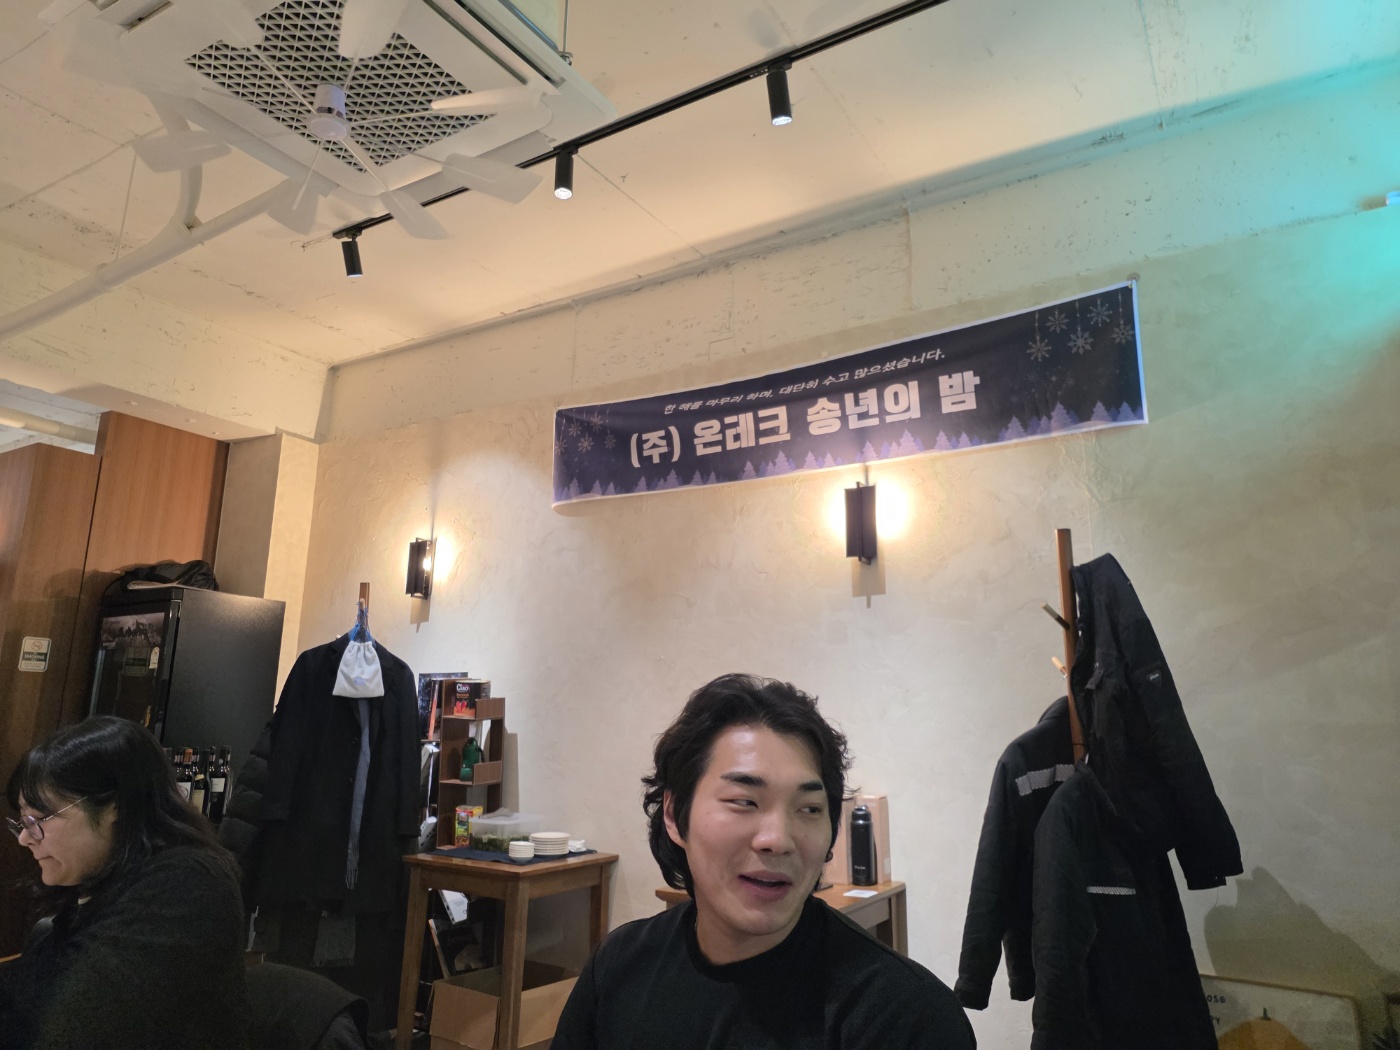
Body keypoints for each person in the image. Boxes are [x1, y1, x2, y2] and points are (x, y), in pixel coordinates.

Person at [552, 673, 976, 1049]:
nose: (777, 839)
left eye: (809, 809)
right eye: (744, 801)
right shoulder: (620, 965)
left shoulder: (905, 1018)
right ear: (675, 814)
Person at [0, 717, 248, 1050]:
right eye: (23, 822)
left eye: (39, 819)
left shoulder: (188, 884)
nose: (25, 838)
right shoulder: (93, 882)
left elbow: (79, 1025)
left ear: (114, 806)